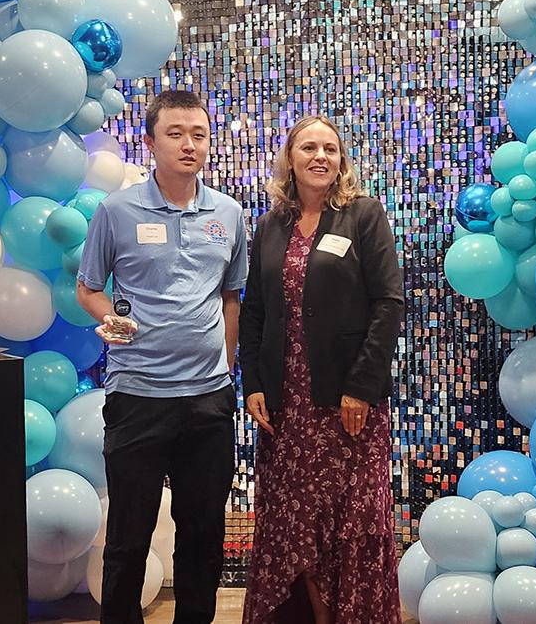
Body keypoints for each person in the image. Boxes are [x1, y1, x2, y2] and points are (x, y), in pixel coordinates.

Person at [76, 89, 249, 624]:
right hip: (137, 396)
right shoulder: (116, 210)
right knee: (129, 536)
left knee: (203, 535)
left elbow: (231, 298)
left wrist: (224, 370)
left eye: (199, 135)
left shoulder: (228, 213)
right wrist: (111, 318)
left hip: (208, 401)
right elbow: (88, 288)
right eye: (175, 134)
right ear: (150, 142)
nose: (188, 144)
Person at [239, 115, 403, 624]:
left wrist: (361, 388)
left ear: (341, 160)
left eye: (330, 148)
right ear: (290, 159)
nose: (320, 156)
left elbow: (389, 304)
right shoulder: (270, 226)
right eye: (308, 147)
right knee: (295, 524)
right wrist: (253, 384)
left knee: (349, 523)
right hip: (286, 410)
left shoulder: (363, 215)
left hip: (346, 405)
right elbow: (254, 311)